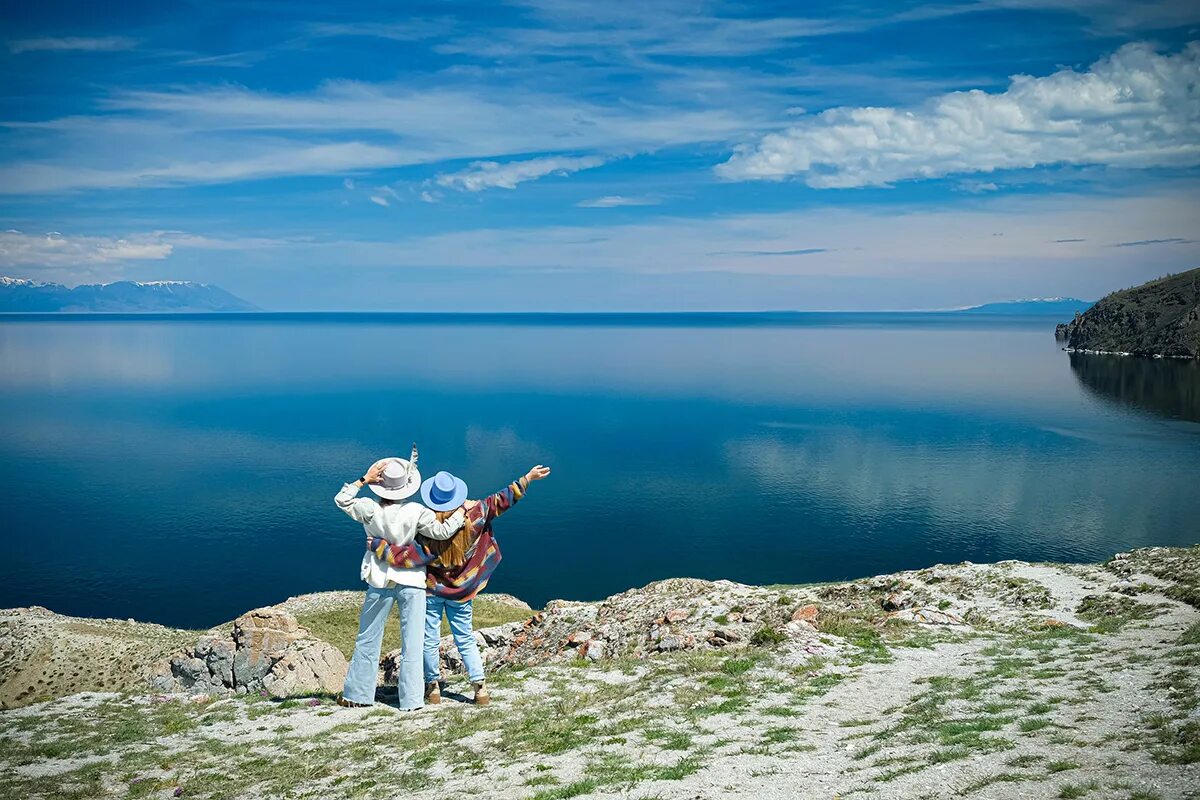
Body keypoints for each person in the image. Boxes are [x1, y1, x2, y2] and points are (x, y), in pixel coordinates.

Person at [365, 464, 550, 707]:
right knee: (464, 637)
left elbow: (409, 556)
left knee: (429, 639)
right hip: (463, 590)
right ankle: (479, 688)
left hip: (432, 589)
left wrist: (379, 547)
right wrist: (528, 478)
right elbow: (503, 499)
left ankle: (432, 688)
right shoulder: (475, 513)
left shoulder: (425, 526)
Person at [334, 446, 466, 710]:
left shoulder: (368, 508)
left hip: (379, 579)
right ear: (408, 485)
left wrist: (364, 479)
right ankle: (412, 700)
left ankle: (358, 696)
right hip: (412, 581)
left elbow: (342, 500)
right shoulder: (416, 511)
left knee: (368, 637)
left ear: (380, 486)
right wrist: (461, 515)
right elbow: (441, 533)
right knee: (413, 642)